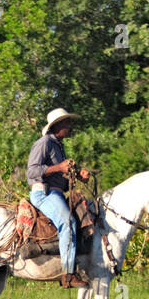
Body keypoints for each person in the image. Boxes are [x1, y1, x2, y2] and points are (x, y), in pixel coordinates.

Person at [26, 107, 91, 289]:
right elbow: (32, 171)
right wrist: (59, 168)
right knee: (68, 222)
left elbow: (61, 170)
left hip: (56, 193)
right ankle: (68, 274)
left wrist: (78, 175)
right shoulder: (44, 142)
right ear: (56, 126)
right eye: (66, 123)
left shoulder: (58, 146)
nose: (69, 126)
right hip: (43, 193)